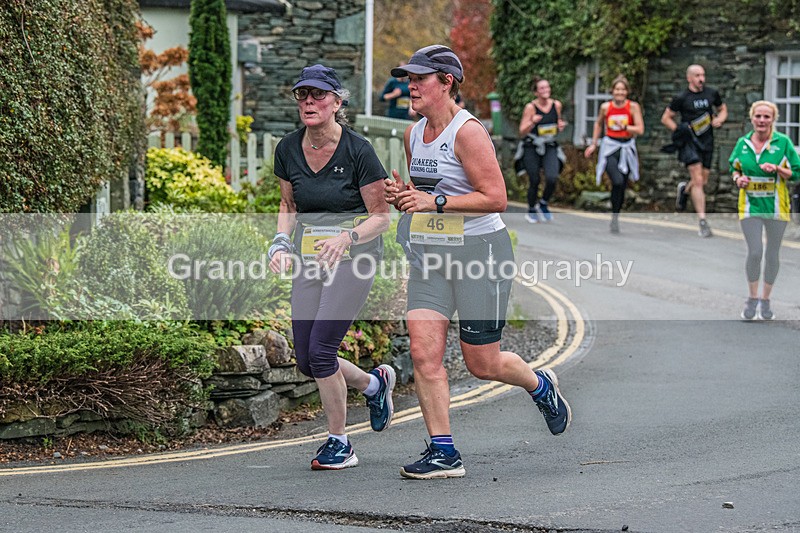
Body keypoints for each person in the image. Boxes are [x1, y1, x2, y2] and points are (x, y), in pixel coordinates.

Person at [384, 45, 572, 480]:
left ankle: (539, 384)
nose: (409, 85)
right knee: (423, 352)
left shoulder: (468, 132)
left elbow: (496, 198)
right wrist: (406, 198)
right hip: (432, 254)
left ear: (447, 82)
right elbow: (424, 192)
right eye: (408, 78)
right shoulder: (413, 134)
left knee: (481, 363)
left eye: (419, 78)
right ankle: (444, 451)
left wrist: (436, 200)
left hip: (479, 255)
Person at [268, 64, 395, 470]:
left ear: (337, 102)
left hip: (354, 258)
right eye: (302, 94)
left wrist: (347, 238)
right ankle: (374, 385)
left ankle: (340, 442)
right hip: (309, 257)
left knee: (322, 352)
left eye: (318, 95)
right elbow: (289, 205)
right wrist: (280, 241)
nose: (309, 101)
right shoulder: (288, 148)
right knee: (305, 358)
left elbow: (381, 217)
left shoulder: (358, 150)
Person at [729, 100, 800, 320]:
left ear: (773, 119)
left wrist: (778, 169)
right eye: (758, 116)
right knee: (755, 252)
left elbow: (797, 173)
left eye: (766, 117)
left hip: (777, 207)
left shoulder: (783, 143)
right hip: (750, 206)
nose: (762, 120)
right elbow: (734, 167)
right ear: (752, 118)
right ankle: (752, 297)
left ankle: (766, 299)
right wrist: (738, 179)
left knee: (771, 254)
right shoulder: (742, 144)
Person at [661, 64, 728, 237]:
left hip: (707, 141)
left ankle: (684, 190)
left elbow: (722, 109)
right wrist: (679, 132)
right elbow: (666, 118)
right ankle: (703, 221)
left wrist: (720, 119)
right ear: (689, 78)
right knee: (698, 181)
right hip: (689, 143)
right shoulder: (681, 97)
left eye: (703, 75)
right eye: (697, 76)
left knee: (702, 181)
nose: (701, 79)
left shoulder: (711, 93)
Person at [584, 75, 645, 234]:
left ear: (627, 91)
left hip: (626, 147)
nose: (619, 92)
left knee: (622, 185)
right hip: (610, 147)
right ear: (612, 91)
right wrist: (593, 144)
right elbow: (598, 123)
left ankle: (615, 216)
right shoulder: (606, 107)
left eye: (622, 89)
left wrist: (625, 127)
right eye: (617, 89)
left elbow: (640, 129)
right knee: (616, 181)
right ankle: (614, 213)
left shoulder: (633, 107)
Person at [518, 77, 566, 223]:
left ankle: (543, 203)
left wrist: (560, 126)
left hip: (549, 144)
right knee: (534, 179)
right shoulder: (530, 107)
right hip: (532, 145)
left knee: (552, 177)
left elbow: (557, 123)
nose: (546, 91)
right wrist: (532, 122)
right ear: (536, 92)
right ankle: (532, 209)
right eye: (542, 88)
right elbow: (522, 131)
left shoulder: (556, 105)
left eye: (547, 87)